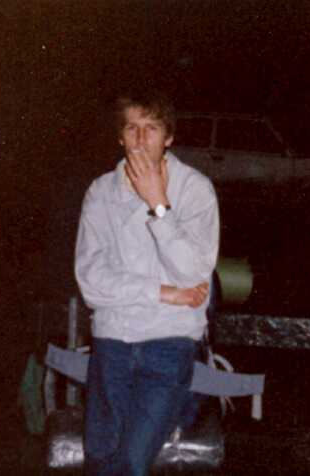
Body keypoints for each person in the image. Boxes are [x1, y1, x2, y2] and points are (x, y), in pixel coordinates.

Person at [75, 90, 220, 476]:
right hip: (112, 342)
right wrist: (163, 292)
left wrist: (159, 205)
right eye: (131, 128)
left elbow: (192, 274)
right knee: (100, 459)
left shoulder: (195, 190)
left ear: (168, 137)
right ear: (120, 137)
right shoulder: (100, 192)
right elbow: (91, 282)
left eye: (151, 128)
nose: (140, 139)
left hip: (168, 344)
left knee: (132, 462)